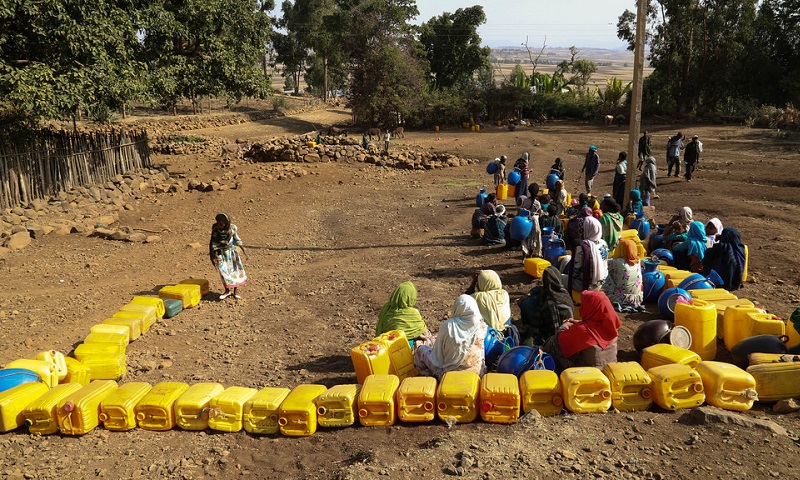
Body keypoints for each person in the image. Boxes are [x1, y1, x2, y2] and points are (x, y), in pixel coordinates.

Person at [541, 290, 621, 373]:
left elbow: (560, 337)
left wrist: (566, 325)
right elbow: (594, 327)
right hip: (609, 370)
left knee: (554, 341)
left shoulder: (583, 331)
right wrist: (577, 322)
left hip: (589, 374)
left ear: (589, 308)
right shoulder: (611, 325)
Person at [413, 294, 487, 380]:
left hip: (449, 377)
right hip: (477, 374)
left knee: (421, 350)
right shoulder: (482, 326)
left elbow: (437, 356)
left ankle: (431, 378)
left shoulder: (449, 326)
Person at [516, 266, 574, 346]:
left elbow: (551, 329)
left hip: (555, 338)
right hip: (569, 334)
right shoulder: (564, 293)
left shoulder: (550, 303)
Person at [209, 213, 249, 300]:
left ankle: (235, 292)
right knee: (223, 273)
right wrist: (213, 256)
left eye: (221, 223)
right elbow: (213, 244)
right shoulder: (216, 231)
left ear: (226, 222)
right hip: (221, 254)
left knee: (235, 272)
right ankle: (227, 291)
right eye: (218, 223)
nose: (219, 225)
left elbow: (237, 239)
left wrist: (244, 250)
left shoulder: (232, 228)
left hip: (231, 253)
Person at [568, 216, 609, 294]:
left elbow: (575, 271)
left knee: (560, 276)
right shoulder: (603, 243)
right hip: (601, 283)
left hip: (585, 286)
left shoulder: (582, 247)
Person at [603, 239, 644, 312]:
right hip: (637, 299)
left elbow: (603, 264)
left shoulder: (617, 262)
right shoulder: (638, 261)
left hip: (621, 299)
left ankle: (610, 294)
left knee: (605, 272)